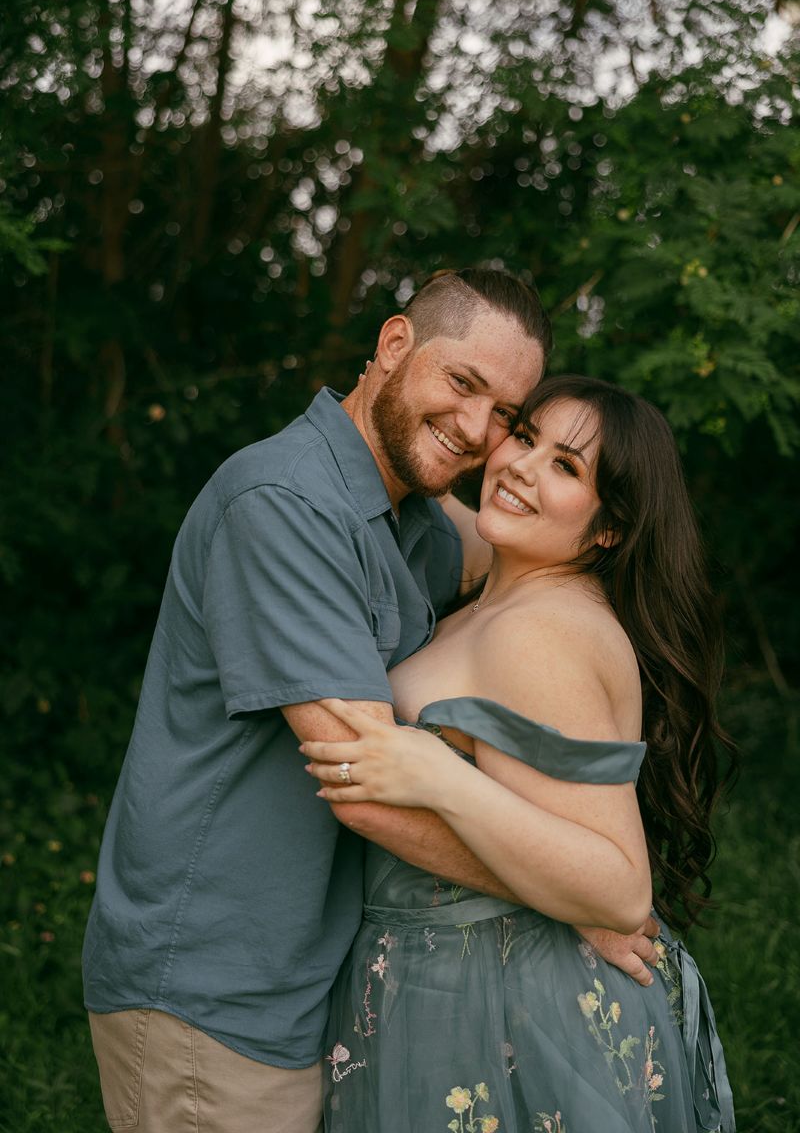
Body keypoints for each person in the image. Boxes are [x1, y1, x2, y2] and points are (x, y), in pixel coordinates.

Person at [83, 268, 564, 1133]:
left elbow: (554, 559)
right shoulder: (284, 502)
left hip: (312, 986)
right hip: (211, 994)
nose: (475, 429)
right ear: (392, 346)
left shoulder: (413, 520)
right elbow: (368, 783)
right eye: (462, 383)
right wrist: (574, 892)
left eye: (506, 416)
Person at [300, 375, 736, 1133]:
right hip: (443, 985)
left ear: (609, 529)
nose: (524, 468)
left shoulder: (542, 632)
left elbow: (621, 887)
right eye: (525, 437)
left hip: (505, 1012)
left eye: (568, 468)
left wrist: (444, 780)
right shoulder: (498, 599)